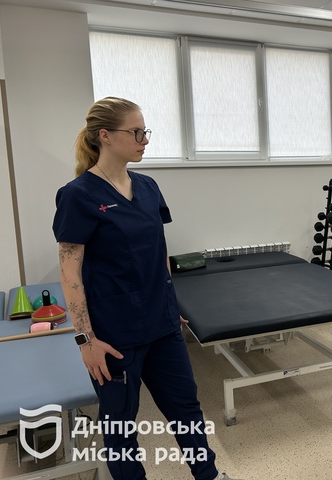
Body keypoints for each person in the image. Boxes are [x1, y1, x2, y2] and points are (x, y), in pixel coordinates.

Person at [52, 97, 241, 480]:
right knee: (120, 425)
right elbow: (70, 273)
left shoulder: (148, 187)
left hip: (163, 326)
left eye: (145, 131)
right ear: (105, 136)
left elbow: (159, 253)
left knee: (186, 409)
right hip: (113, 336)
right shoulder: (78, 195)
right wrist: (86, 340)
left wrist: (171, 305)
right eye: (136, 132)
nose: (145, 140)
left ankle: (209, 475)